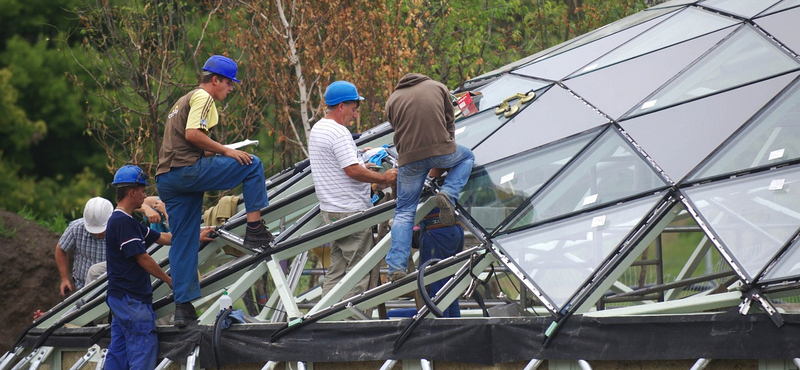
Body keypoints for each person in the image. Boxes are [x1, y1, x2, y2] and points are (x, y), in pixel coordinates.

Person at [155, 55, 273, 327]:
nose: (231, 89)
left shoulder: (181, 101)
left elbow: (193, 142)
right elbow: (193, 135)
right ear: (216, 80)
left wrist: (216, 150)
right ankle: (255, 229)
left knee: (183, 242)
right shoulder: (203, 98)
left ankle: (183, 307)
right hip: (187, 171)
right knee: (252, 165)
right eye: (229, 83)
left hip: (168, 178)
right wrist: (228, 151)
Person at [308, 81, 397, 299]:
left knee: (337, 270)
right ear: (341, 107)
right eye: (354, 110)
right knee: (360, 271)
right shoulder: (338, 132)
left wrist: (361, 165)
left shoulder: (319, 128)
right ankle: (350, 320)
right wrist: (383, 177)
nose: (355, 116)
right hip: (350, 212)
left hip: (332, 211)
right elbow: (352, 170)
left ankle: (324, 318)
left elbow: (342, 166)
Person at [384, 73, 475, 281]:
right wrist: (446, 146)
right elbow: (449, 121)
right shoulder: (438, 87)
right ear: (423, 79)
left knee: (404, 212)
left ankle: (396, 267)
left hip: (409, 159)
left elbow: (397, 129)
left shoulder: (392, 100)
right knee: (467, 157)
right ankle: (448, 192)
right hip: (441, 150)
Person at [105, 165, 173, 370]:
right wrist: (169, 279)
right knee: (143, 350)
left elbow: (163, 238)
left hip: (122, 299)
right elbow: (142, 258)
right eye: (143, 190)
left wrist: (198, 234)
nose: (145, 194)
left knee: (119, 352)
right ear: (132, 192)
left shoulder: (129, 223)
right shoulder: (121, 222)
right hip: (131, 300)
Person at [55, 197, 113, 296]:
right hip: (82, 287)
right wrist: (64, 278)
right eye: (94, 231)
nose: (97, 235)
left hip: (113, 286)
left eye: (101, 231)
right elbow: (61, 249)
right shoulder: (76, 228)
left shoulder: (121, 230)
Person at [417, 207, 463, 317]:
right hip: (455, 230)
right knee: (450, 287)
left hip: (437, 231)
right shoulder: (450, 189)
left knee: (437, 286)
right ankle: (454, 328)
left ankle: (442, 328)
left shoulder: (425, 192)